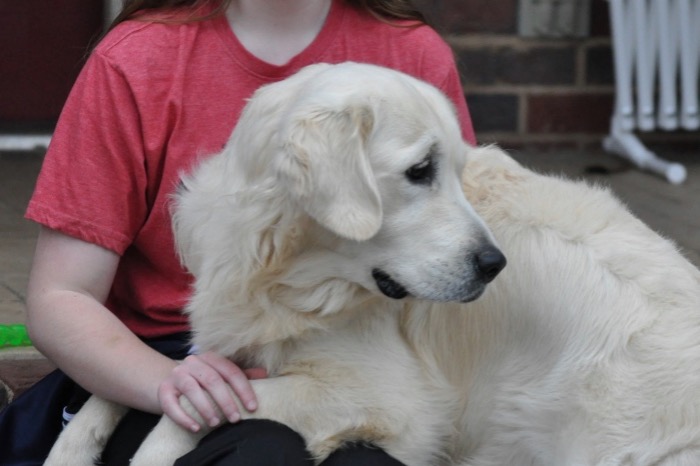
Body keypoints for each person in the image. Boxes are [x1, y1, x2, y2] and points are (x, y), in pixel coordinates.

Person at [0, 0, 476, 464]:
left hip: (355, 361)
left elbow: (450, 245)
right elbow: (61, 296)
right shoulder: (138, 58)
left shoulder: (413, 54)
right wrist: (171, 383)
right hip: (166, 357)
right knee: (263, 452)